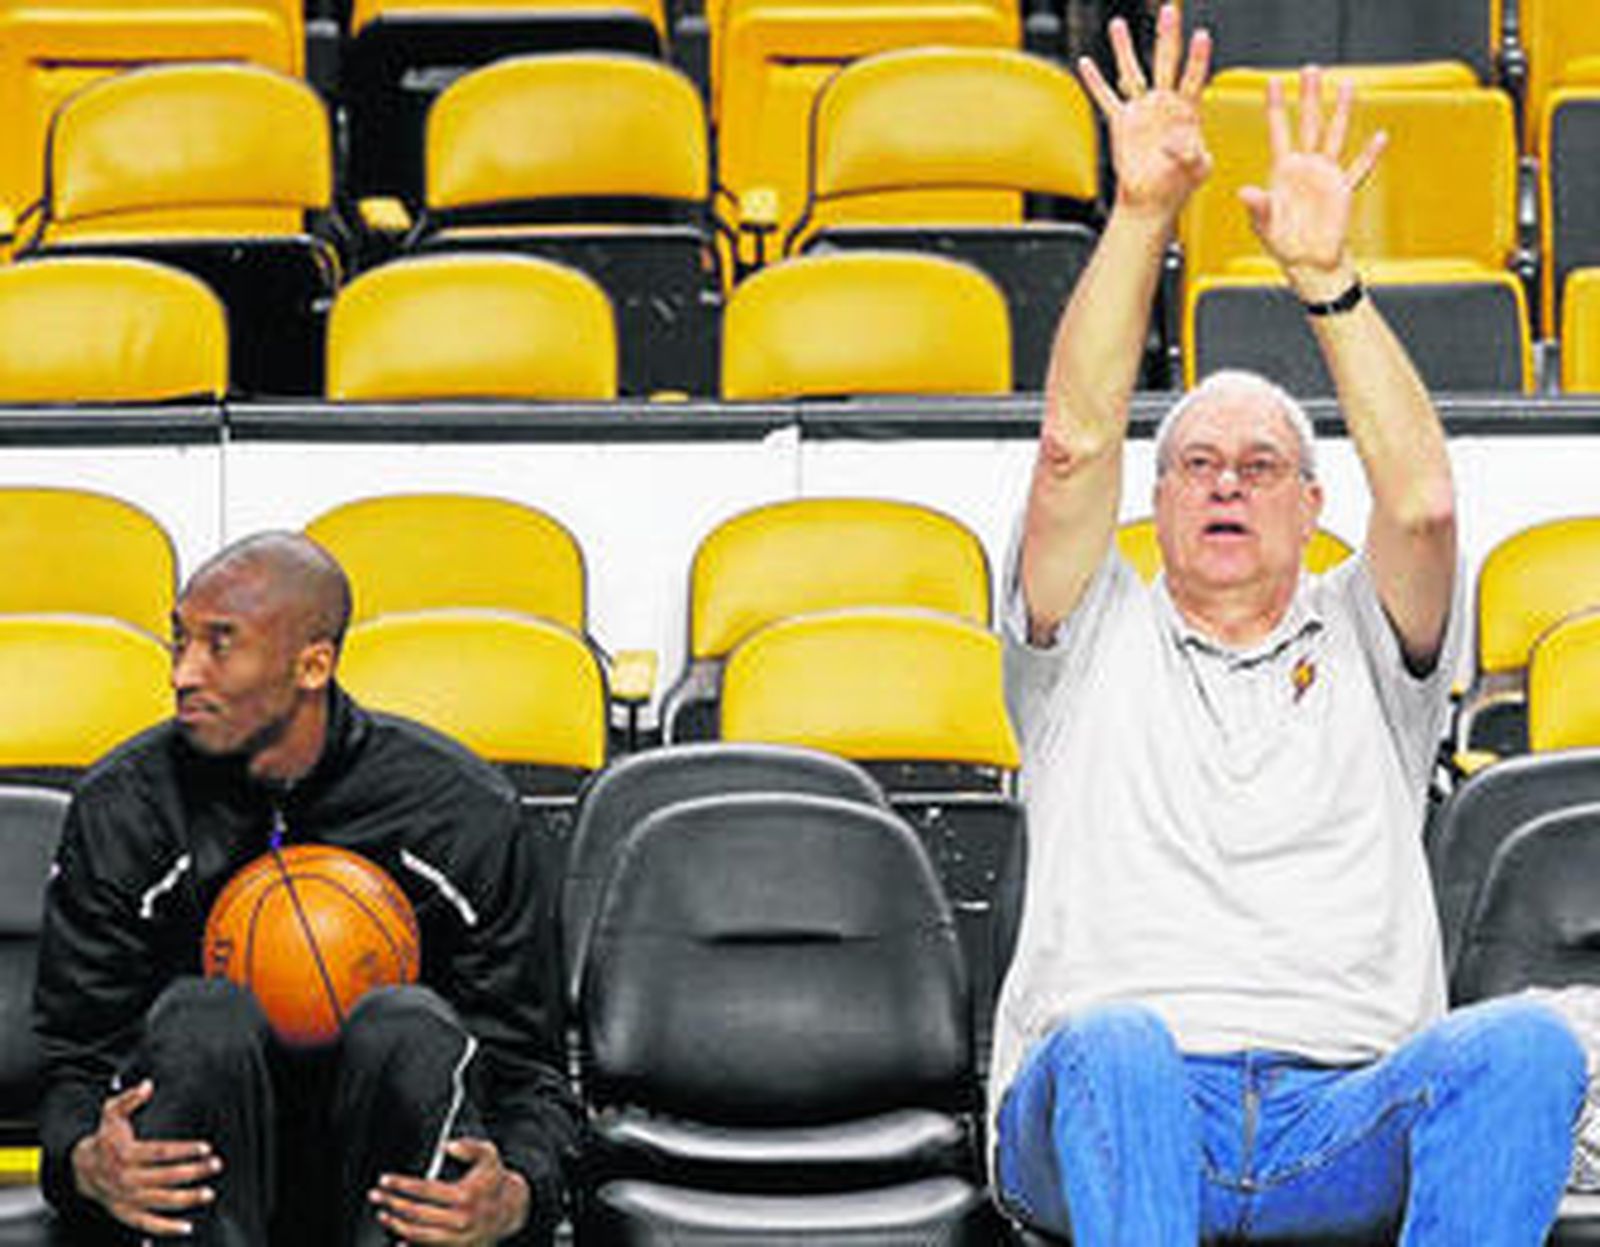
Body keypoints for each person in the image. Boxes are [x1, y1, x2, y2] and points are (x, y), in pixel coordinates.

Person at [991, 6, 1586, 1244]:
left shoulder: (1367, 642)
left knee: (1526, 1049)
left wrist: (1326, 280)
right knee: (1118, 1042)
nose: (1224, 482)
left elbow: (1421, 504)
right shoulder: (1086, 640)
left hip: (1342, 1112)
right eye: (1196, 462)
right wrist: (1143, 213)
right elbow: (1073, 443)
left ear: (1313, 507)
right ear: (1154, 502)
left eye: (1261, 464)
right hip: (1118, 1102)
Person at [34, 531, 582, 1245]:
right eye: (180, 640)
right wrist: (84, 1160)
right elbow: (77, 1061)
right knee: (202, 1017)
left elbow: (530, 1074)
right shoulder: (126, 807)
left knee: (408, 1027)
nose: (182, 673)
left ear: (313, 664)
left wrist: (519, 1192)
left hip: (392, 1166)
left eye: (221, 644)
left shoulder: (458, 812)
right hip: (206, 1168)